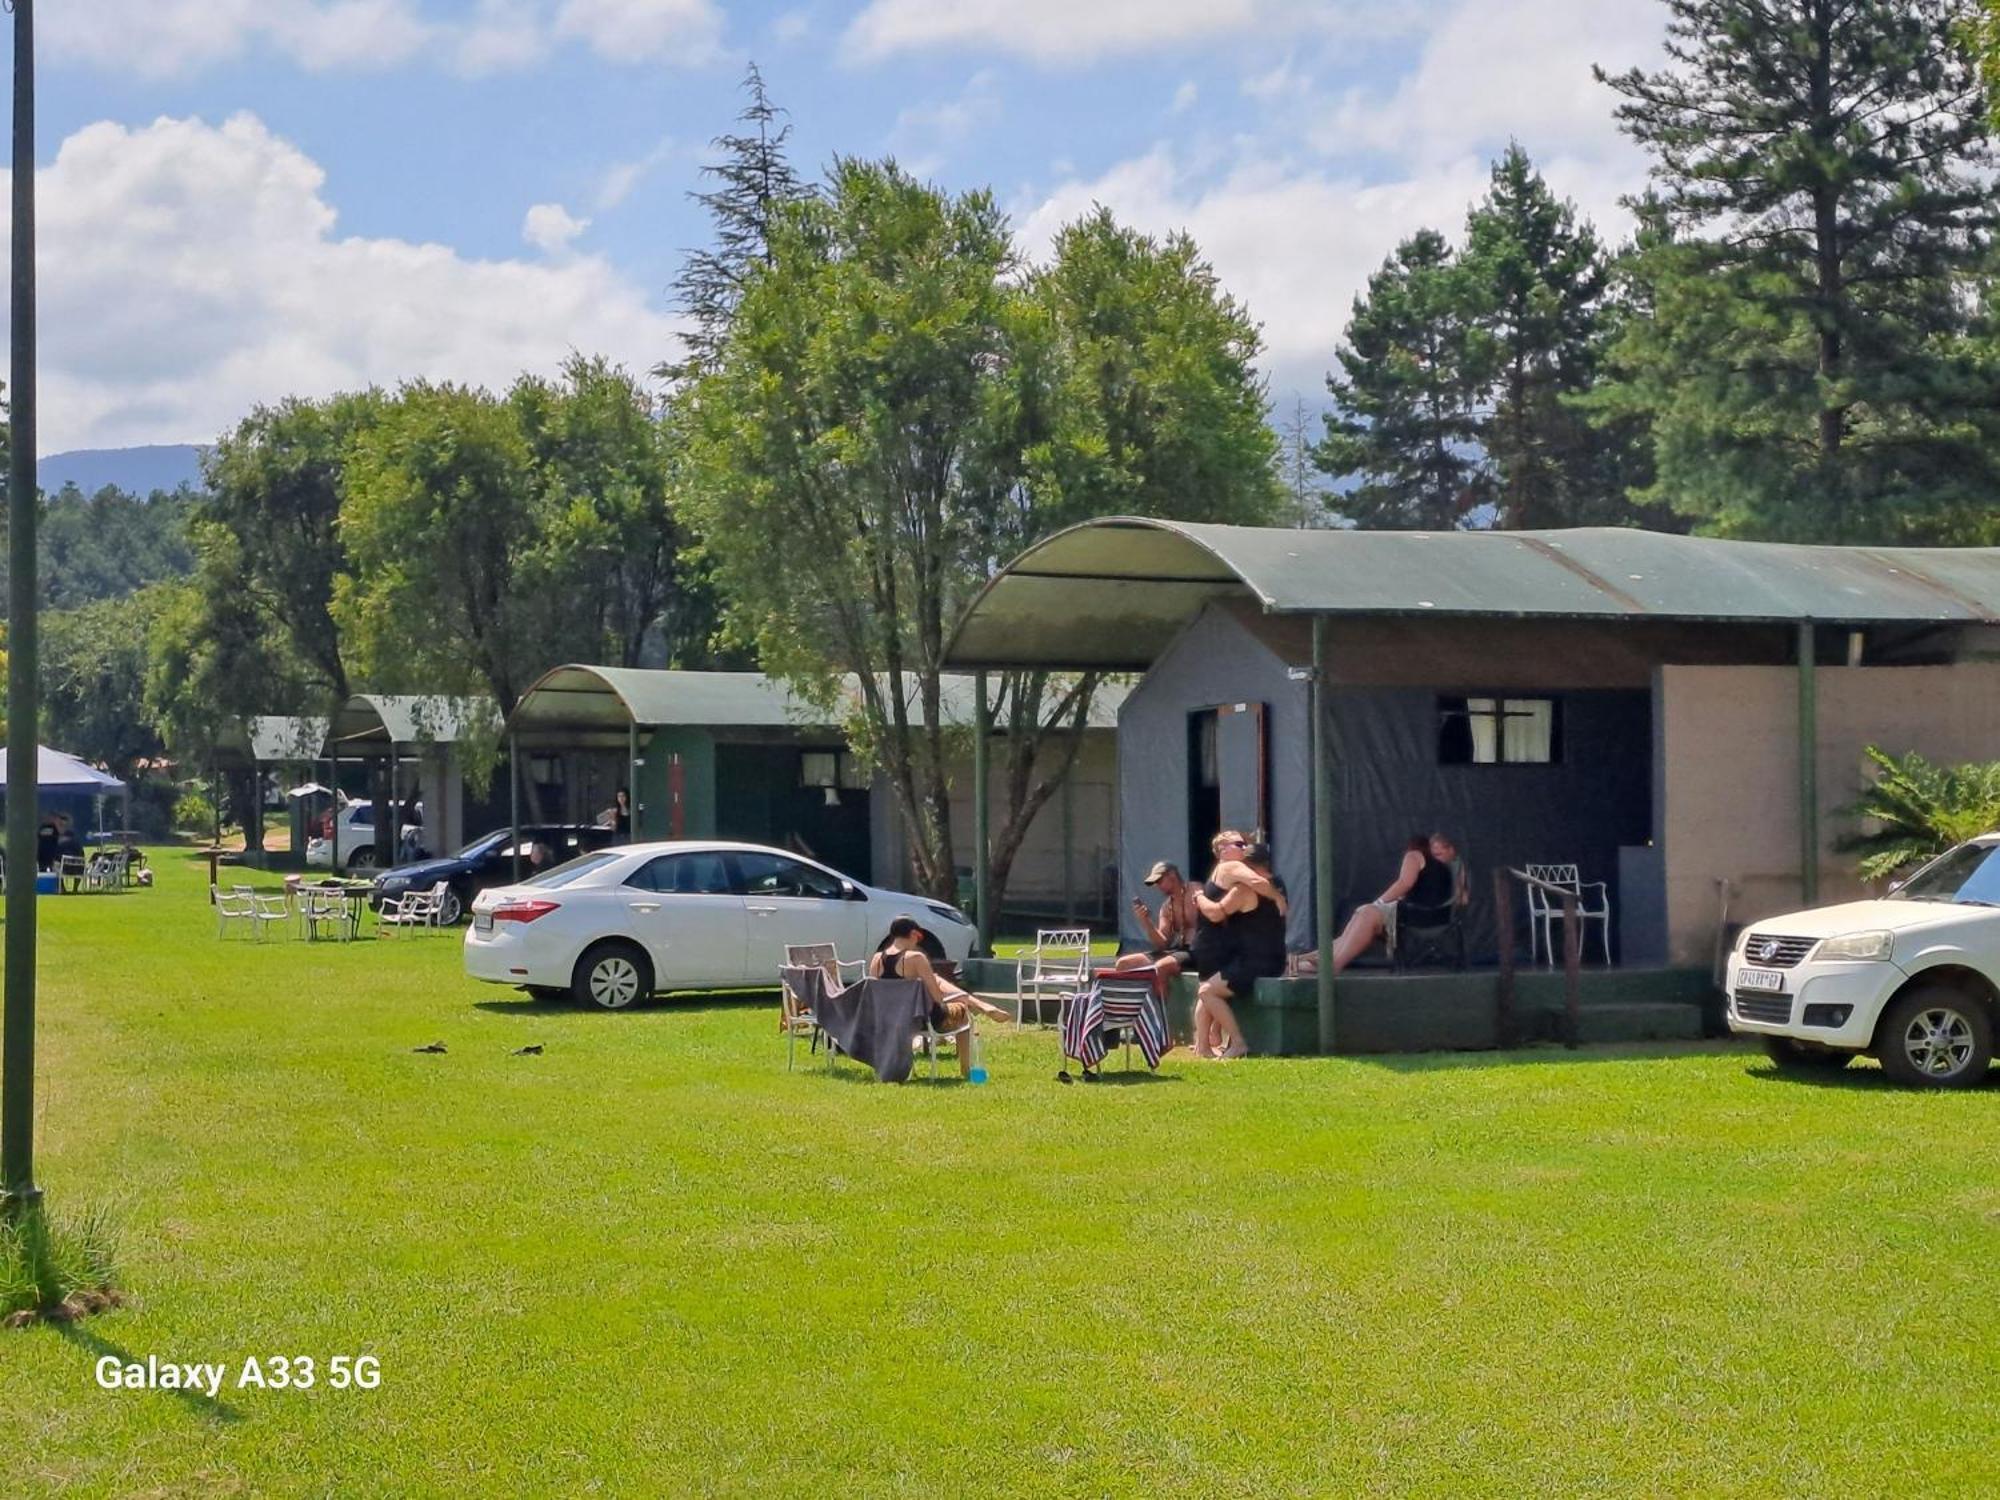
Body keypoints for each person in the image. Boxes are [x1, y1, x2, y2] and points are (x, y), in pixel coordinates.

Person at [869, 917, 1011, 1078]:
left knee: (935, 979)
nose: (918, 942)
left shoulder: (877, 959)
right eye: (919, 937)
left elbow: (876, 995)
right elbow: (937, 997)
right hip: (923, 1019)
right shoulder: (915, 958)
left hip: (890, 1020)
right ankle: (967, 1070)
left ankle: (978, 1003)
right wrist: (956, 998)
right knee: (962, 1012)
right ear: (914, 934)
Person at [1192, 840, 1289, 1059]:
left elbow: (1216, 913)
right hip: (1274, 958)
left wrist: (1198, 896)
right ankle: (1204, 1046)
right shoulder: (1279, 884)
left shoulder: (1243, 889)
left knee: (1207, 991)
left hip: (1254, 962)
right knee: (1211, 989)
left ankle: (1237, 1043)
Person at [1317, 831, 1461, 975]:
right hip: (1434, 917)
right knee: (1361, 915)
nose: (1435, 855)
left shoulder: (1415, 855)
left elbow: (1404, 883)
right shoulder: (1452, 870)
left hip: (1416, 918)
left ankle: (1334, 963)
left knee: (1366, 913)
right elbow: (1459, 898)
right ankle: (1304, 961)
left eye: (1439, 852)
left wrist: (1378, 903)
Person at [1114, 860, 1198, 985]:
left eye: (1159, 881)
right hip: (1179, 951)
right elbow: (1162, 944)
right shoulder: (1166, 907)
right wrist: (1146, 921)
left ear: (1172, 875)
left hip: (1198, 949)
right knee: (1124, 964)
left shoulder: (1194, 890)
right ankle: (1136, 1001)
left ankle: (1159, 1004)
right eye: (1155, 883)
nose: (1158, 886)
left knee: (1162, 966)